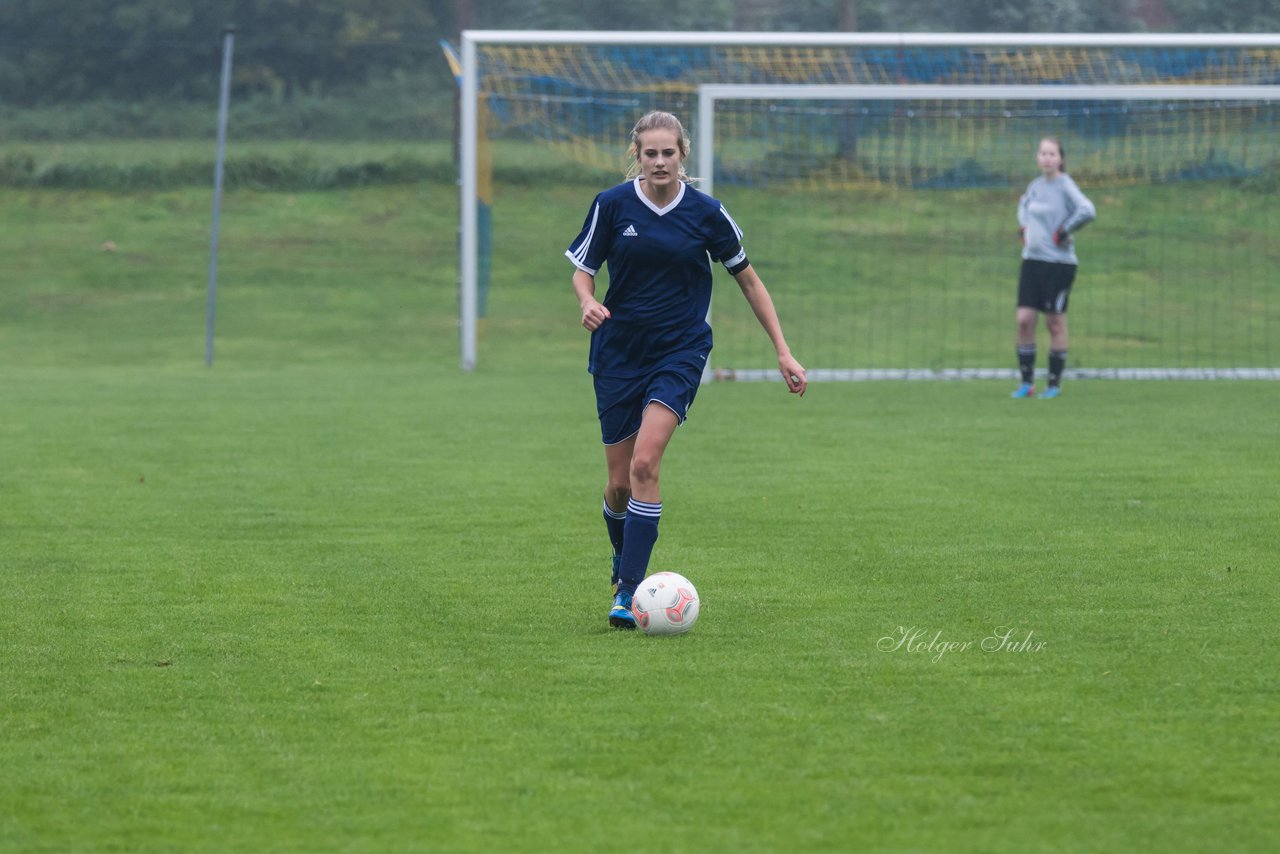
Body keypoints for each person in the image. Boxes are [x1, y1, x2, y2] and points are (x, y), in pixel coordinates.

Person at [565, 110, 807, 629]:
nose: (658, 161)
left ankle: (628, 592)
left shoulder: (706, 212)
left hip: (680, 350)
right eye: (649, 153)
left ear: (682, 156)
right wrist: (586, 301)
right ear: (637, 154)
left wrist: (782, 350)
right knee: (618, 487)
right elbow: (583, 271)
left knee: (646, 465)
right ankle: (623, 556)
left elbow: (749, 281)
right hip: (617, 353)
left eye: (667, 153)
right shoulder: (611, 205)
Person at [1013, 137, 1096, 399]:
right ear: (1037, 158)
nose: (1047, 158)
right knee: (1024, 320)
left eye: (1052, 154)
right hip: (1032, 262)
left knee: (1054, 322)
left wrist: (1065, 230)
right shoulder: (1035, 187)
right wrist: (1024, 228)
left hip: (1059, 265)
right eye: (1043, 153)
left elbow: (1087, 209)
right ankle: (1027, 383)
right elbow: (1023, 208)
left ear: (1060, 159)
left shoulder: (1065, 186)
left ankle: (1054, 384)